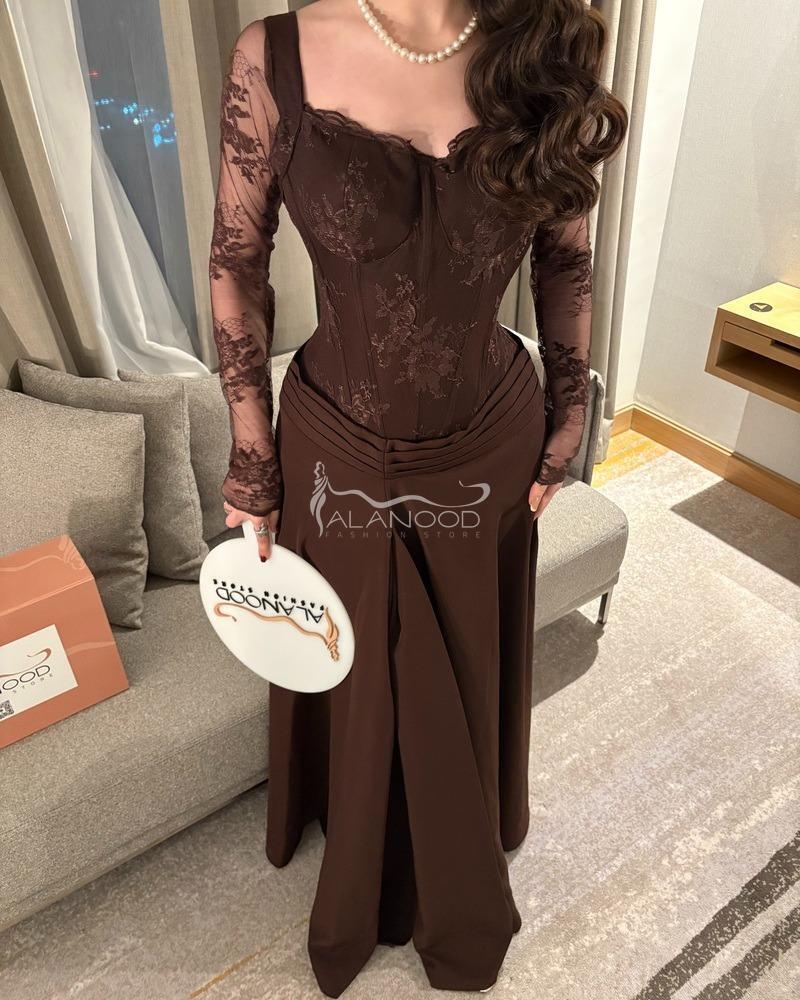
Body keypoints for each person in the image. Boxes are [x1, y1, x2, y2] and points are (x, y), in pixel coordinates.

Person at [209, 1, 627, 995]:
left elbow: (564, 257)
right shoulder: (275, 57)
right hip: (337, 449)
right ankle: (354, 834)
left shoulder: (543, 46)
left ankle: (462, 835)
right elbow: (237, 263)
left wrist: (571, 405)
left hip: (488, 438)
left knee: (466, 663)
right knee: (351, 668)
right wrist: (252, 451)